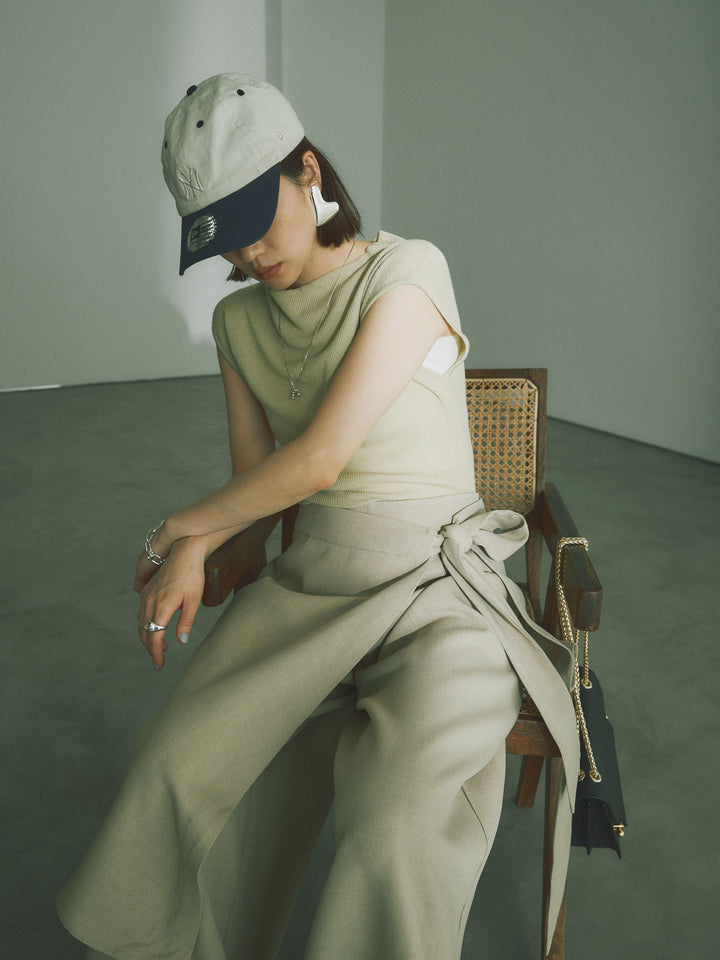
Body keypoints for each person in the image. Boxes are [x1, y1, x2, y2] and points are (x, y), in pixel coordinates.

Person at [56, 74, 579, 960]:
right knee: (176, 767)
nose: (248, 252)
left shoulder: (409, 271)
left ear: (308, 171)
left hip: (441, 593)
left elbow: (321, 459)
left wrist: (177, 531)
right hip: (311, 587)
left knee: (393, 828)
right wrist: (211, 549)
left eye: (255, 219)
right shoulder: (237, 324)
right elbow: (259, 482)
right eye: (222, 236)